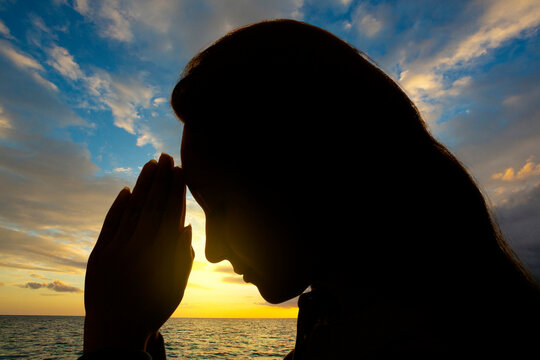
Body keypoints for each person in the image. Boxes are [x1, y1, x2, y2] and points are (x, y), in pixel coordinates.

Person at [80, 19, 540, 359]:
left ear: (308, 170)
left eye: (222, 206)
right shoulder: (349, 317)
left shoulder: (406, 343)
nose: (214, 250)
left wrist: (113, 341)